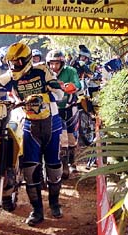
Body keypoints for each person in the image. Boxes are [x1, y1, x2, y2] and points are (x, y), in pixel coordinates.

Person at [0, 42, 66, 226]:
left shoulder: (42, 70)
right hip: (30, 123)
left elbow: (60, 94)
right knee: (30, 170)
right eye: (12, 62)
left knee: (54, 167)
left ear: (28, 60)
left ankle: (54, 203)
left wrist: (46, 95)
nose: (14, 65)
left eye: (18, 61)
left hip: (51, 122)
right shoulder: (10, 76)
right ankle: (37, 210)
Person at [46, 50, 81, 179]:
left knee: (72, 138)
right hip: (53, 109)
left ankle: (72, 162)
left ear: (62, 63)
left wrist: (70, 87)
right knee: (62, 137)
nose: (54, 66)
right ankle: (63, 164)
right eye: (51, 63)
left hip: (69, 108)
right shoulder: (46, 73)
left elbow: (77, 84)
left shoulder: (70, 71)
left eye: (56, 63)